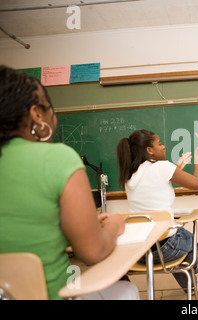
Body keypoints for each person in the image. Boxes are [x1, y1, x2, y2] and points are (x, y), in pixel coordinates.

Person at [0, 65, 139, 300]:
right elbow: (93, 252)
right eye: (50, 108)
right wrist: (115, 225)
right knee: (127, 291)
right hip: (53, 294)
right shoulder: (58, 158)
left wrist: (75, 227)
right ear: (37, 115)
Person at [117, 129, 198, 291]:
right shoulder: (162, 167)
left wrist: (177, 169)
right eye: (159, 144)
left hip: (139, 251)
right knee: (187, 238)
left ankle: (191, 282)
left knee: (177, 237)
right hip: (164, 250)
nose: (164, 146)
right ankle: (191, 280)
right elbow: (197, 183)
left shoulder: (130, 174)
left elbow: (154, 188)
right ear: (149, 150)